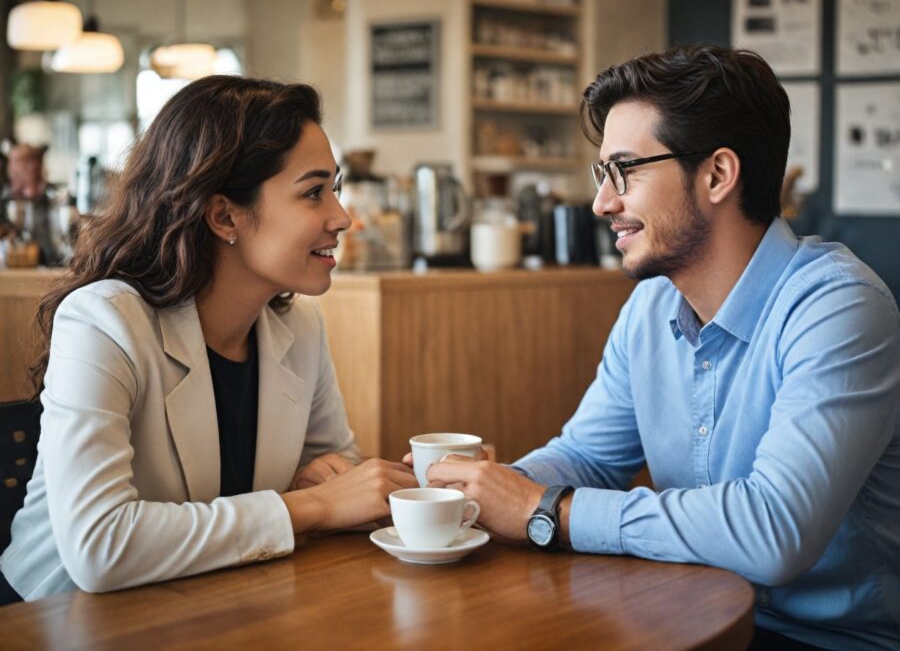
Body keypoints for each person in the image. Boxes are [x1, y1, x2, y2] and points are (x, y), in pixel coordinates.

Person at [424, 46, 900, 650]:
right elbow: (590, 458)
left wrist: (546, 510)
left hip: (824, 641)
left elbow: (774, 532)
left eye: (625, 170)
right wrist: (484, 489)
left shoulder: (838, 306)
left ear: (718, 175)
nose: (603, 203)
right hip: (686, 611)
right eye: (603, 175)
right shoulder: (651, 307)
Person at [0, 76, 417, 602]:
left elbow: (338, 476)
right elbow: (99, 547)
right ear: (223, 215)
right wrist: (314, 507)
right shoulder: (103, 322)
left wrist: (355, 489)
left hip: (212, 602)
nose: (342, 217)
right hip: (57, 617)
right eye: (314, 192)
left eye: (335, 188)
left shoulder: (299, 328)